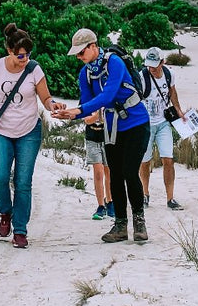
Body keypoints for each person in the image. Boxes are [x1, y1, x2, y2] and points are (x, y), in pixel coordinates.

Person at [53, 28, 150, 243]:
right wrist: (73, 114)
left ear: (93, 46)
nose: (79, 58)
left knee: (129, 172)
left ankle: (139, 220)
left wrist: (79, 111)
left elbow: (108, 95)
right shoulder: (85, 73)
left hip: (136, 123)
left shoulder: (114, 62)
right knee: (114, 174)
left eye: (81, 52)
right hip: (112, 126)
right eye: (77, 54)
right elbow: (87, 103)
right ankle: (121, 225)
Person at [0, 21, 58, 248]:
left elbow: (45, 97)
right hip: (2, 131)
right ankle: (5, 212)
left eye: (27, 54)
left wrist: (53, 105)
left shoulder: (34, 69)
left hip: (29, 132)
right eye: (20, 55)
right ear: (9, 51)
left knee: (23, 182)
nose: (24, 59)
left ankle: (21, 230)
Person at [139, 47, 186, 210]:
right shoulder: (142, 76)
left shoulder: (169, 74)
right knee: (145, 161)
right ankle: (145, 195)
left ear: (162, 62)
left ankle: (170, 198)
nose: (151, 68)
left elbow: (173, 92)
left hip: (164, 122)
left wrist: (178, 110)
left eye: (154, 65)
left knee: (168, 159)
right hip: (146, 125)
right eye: (148, 65)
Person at [84, 114, 114, 219]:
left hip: (108, 138)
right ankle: (101, 205)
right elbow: (87, 120)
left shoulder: (108, 97)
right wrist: (99, 112)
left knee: (109, 171)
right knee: (98, 172)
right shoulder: (88, 97)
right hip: (92, 139)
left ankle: (109, 201)